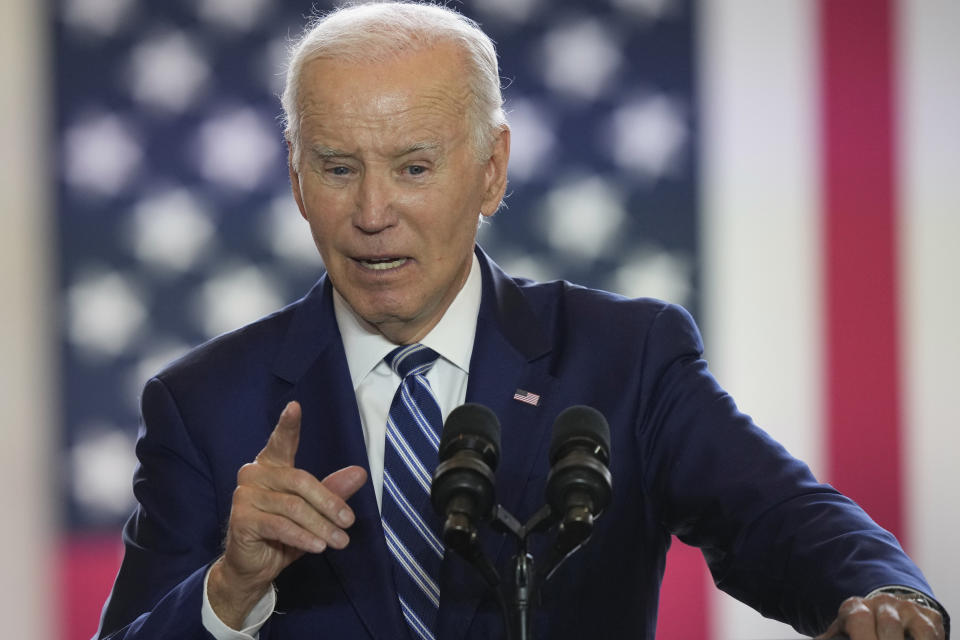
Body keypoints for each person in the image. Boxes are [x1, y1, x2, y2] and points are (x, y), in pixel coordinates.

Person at [94, 3, 949, 639]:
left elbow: (775, 516)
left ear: (492, 171)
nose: (373, 211)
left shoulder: (623, 359)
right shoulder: (203, 406)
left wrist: (888, 598)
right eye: (338, 167)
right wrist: (228, 590)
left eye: (414, 166)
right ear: (295, 178)